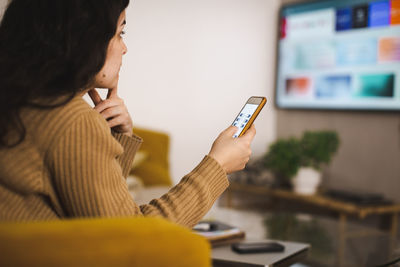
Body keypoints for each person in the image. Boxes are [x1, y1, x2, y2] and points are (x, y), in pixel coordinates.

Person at [0, 0, 256, 227]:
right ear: (83, 39)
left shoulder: (22, 104)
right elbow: (132, 239)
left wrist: (115, 140)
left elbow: (96, 213)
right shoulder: (71, 119)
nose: (124, 48)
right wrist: (218, 165)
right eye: (120, 32)